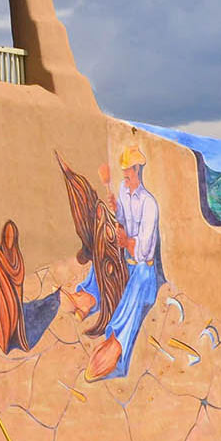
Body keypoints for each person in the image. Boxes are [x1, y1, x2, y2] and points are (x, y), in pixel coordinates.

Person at [84, 144, 164, 380]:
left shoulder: (150, 204)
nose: (125, 178)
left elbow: (145, 251)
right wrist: (116, 208)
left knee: (139, 280)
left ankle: (117, 340)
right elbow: (121, 221)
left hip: (143, 271)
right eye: (123, 174)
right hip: (127, 261)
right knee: (103, 250)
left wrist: (127, 241)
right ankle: (89, 296)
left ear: (137, 170)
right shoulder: (122, 189)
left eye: (128, 173)